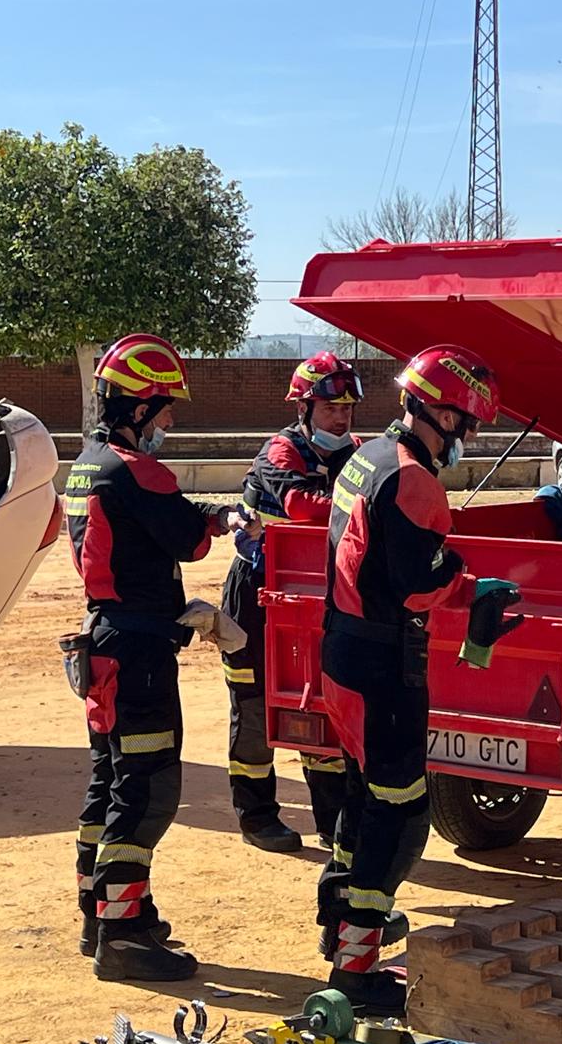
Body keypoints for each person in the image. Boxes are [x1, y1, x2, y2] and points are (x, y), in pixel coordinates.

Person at [316, 344, 523, 1014]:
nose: (471, 437)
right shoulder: (414, 480)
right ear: (443, 414)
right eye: (469, 424)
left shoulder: (365, 458)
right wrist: (465, 580)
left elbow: (376, 560)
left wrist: (455, 584)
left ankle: (343, 932)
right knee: (401, 814)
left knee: (363, 798)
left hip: (344, 652)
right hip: (384, 668)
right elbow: (414, 584)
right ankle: (356, 973)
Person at [65, 333, 235, 982]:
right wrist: (221, 523)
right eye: (164, 409)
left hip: (104, 640)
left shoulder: (88, 465)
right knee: (148, 790)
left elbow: (156, 521)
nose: (169, 422)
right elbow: (188, 539)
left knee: (109, 783)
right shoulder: (138, 470)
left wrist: (211, 513)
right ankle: (124, 936)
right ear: (138, 408)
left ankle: (100, 914)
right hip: (137, 655)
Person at [223, 352, 363, 853]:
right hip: (256, 597)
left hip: (318, 598)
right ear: (303, 408)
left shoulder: (356, 452)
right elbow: (301, 506)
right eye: (330, 409)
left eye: (347, 409)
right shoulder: (280, 451)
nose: (341, 418)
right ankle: (257, 818)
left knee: (320, 704)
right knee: (254, 708)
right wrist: (367, 507)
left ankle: (333, 823)